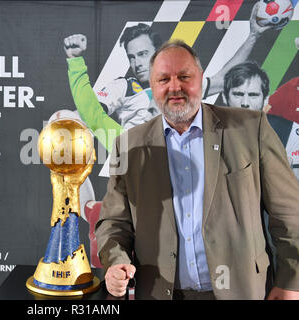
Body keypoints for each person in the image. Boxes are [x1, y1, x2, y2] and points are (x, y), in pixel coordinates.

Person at [95, 39, 299, 300]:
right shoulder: (128, 145)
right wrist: (115, 262)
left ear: (201, 79)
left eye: (184, 76)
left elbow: (289, 213)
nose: (174, 87)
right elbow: (114, 222)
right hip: (161, 293)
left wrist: (291, 281)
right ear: (153, 87)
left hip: (243, 291)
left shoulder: (252, 128)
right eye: (163, 79)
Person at [64, 2, 273, 178]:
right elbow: (92, 114)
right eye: (132, 57)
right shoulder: (123, 89)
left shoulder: (179, 91)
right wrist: (75, 62)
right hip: (137, 167)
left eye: (143, 54)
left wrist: (253, 35)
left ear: (157, 54)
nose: (137, 62)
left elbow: (221, 80)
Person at [223, 62, 298, 181]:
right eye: (238, 94)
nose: (245, 103)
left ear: (265, 98)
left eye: (253, 95)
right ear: (224, 97)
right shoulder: (204, 134)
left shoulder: (291, 133)